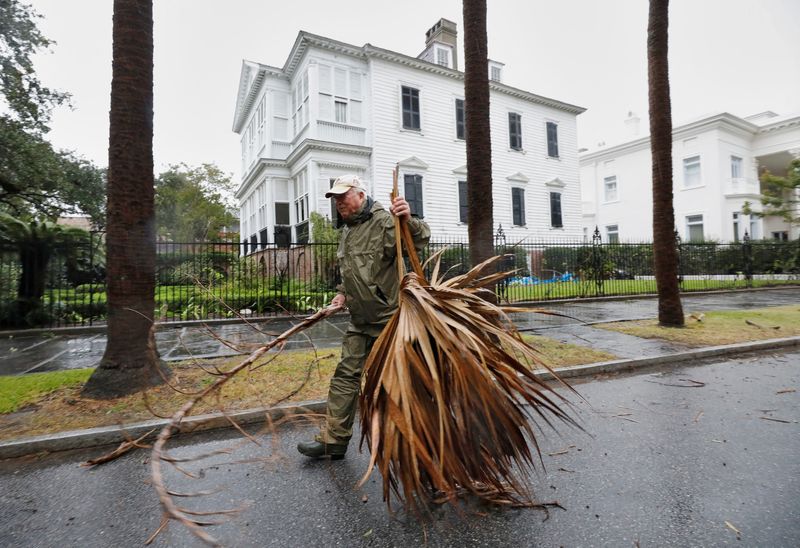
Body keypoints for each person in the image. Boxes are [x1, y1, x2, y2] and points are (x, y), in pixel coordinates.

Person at [297, 174, 430, 459]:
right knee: (345, 377)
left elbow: (418, 240)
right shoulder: (347, 230)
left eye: (343, 196)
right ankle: (334, 440)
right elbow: (351, 271)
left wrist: (408, 219)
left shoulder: (384, 221)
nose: (339, 203)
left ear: (360, 194)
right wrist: (342, 294)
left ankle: (417, 444)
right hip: (360, 321)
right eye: (335, 199)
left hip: (389, 321)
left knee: (399, 382)